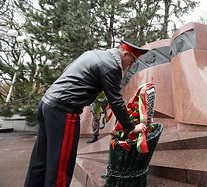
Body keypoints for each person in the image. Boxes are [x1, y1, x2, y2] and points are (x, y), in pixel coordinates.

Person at [24, 40, 149, 187]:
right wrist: (132, 127)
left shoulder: (93, 54)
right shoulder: (111, 66)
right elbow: (116, 101)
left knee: (40, 159)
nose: (131, 64)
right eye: (132, 60)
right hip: (63, 111)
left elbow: (68, 71)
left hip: (46, 104)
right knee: (61, 166)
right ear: (125, 53)